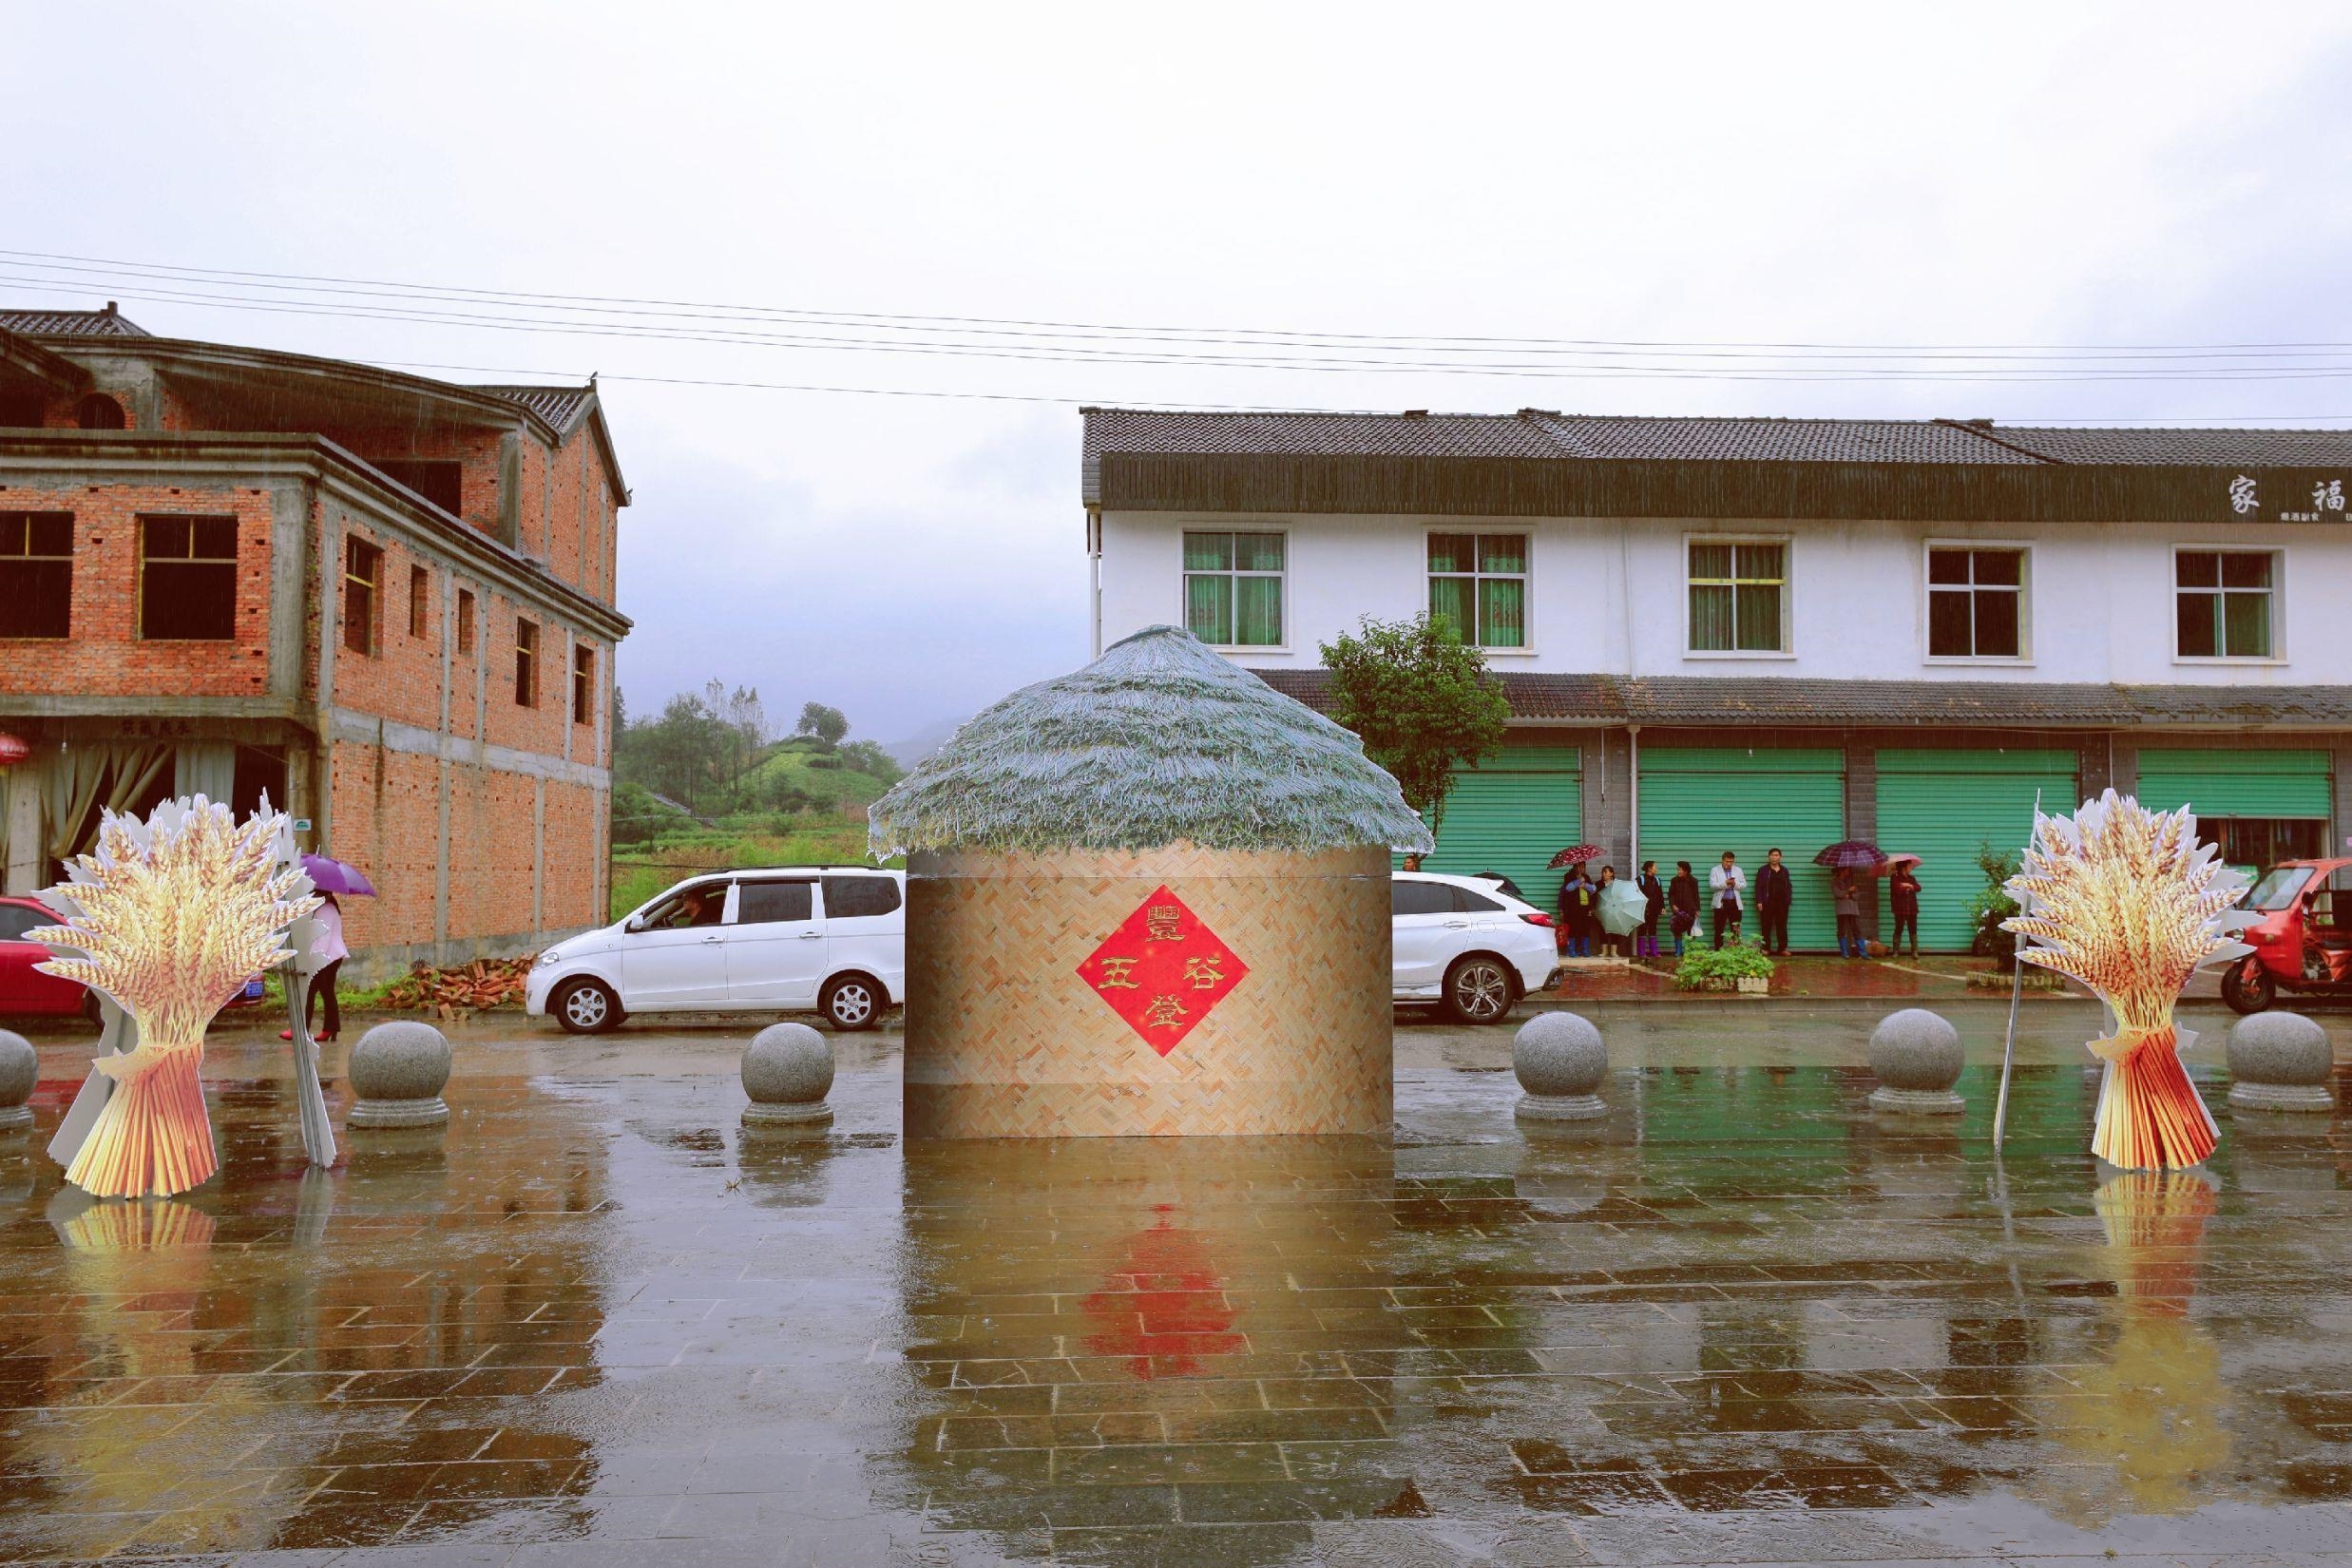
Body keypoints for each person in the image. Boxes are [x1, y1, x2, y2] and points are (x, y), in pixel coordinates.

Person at [279, 890, 346, 1043]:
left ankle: (300, 1030)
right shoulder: (327, 907)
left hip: (327, 957)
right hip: (331, 956)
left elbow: (323, 937)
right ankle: (330, 1028)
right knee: (327, 992)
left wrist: (314, 960)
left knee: (307, 991)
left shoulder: (326, 909)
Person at [1754, 847, 1794, 956]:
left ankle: (1782, 948)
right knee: (1766, 925)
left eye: (1776, 855)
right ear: (1769, 857)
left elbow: (1788, 886)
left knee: (1782, 925)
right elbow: (1758, 887)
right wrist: (1759, 901)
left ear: (1780, 857)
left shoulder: (1784, 870)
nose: (1774, 857)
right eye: (1772, 855)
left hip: (1782, 903)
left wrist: (1788, 899)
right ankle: (1766, 948)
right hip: (1767, 902)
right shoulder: (1763, 870)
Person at [1557, 861, 1597, 957]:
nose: (1582, 869)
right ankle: (1572, 951)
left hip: (1585, 908)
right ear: (1576, 867)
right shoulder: (1568, 876)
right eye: (1581, 867)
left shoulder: (1586, 877)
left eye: (1584, 867)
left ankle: (1585, 950)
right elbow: (1568, 888)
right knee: (1573, 929)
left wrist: (1585, 885)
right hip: (1572, 909)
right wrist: (1578, 881)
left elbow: (1593, 889)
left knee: (1585, 929)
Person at [1709, 851, 1746, 949]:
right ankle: (1718, 949)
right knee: (1719, 928)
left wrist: (1734, 884)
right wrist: (1725, 883)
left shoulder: (1738, 870)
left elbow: (1743, 885)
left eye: (1731, 861)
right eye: (1727, 861)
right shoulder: (1715, 870)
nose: (1729, 864)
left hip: (1734, 903)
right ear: (1722, 860)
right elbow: (1712, 885)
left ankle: (1736, 950)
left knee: (1735, 928)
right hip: (1721, 903)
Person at [1888, 861, 1922, 958]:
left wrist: (1909, 885)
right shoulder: (1894, 878)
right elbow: (1896, 890)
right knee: (1898, 929)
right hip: (1900, 909)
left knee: (1913, 930)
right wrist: (1905, 887)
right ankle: (1895, 951)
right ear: (1903, 867)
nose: (1910, 867)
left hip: (1912, 909)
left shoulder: (1912, 878)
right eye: (1909, 866)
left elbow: (1919, 888)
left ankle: (1915, 951)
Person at [1667, 861, 1700, 956]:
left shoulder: (1693, 881)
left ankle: (1690, 951)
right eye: (1677, 869)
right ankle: (1678, 950)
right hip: (1678, 910)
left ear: (1686, 871)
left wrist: (1697, 909)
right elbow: (1671, 894)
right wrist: (1673, 905)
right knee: (1677, 930)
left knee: (1691, 930)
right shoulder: (1674, 880)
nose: (1678, 871)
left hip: (1690, 909)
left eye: (1680, 870)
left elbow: (1696, 896)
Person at [1635, 859, 1666, 961]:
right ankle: (1641, 952)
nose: (1656, 869)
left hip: (1655, 909)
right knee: (1642, 930)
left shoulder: (1657, 880)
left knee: (1653, 929)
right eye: (1655, 867)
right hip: (1643, 909)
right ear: (1649, 868)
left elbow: (1660, 895)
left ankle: (1654, 952)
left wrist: (1662, 907)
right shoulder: (1640, 879)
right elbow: (1636, 894)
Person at [1833, 869, 1864, 959]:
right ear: (1841, 870)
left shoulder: (1852, 881)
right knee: (1842, 931)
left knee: (1857, 931)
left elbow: (1857, 895)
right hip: (1842, 910)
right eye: (1846, 870)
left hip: (1853, 909)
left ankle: (1863, 953)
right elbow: (1837, 894)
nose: (1848, 872)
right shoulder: (1835, 881)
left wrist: (1848, 895)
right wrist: (1848, 890)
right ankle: (1844, 953)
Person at [1595, 865, 1624, 957]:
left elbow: (1621, 896)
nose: (1604, 874)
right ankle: (1604, 951)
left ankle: (1614, 951)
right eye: (1603, 872)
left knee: (1615, 930)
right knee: (1603, 930)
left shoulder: (1617, 884)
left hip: (1615, 910)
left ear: (1611, 873)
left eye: (1606, 872)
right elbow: (1594, 898)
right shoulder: (1598, 884)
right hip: (1603, 910)